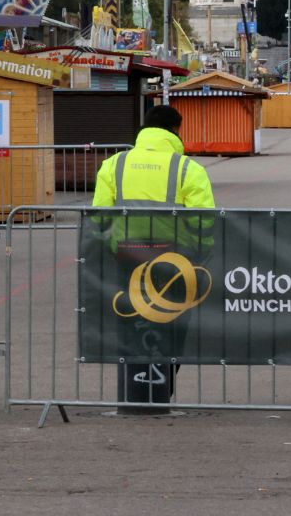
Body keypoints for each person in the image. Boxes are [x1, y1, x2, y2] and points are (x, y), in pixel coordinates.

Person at [91, 105, 214, 408]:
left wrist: (111, 246)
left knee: (132, 326)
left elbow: (98, 216)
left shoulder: (113, 165)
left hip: (127, 261)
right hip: (176, 263)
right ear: (175, 131)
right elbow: (204, 220)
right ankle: (161, 389)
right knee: (173, 326)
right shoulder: (188, 169)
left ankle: (136, 394)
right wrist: (201, 251)